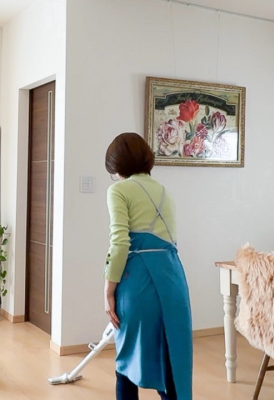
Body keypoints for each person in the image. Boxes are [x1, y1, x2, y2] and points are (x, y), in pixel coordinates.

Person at [104, 132, 192, 400]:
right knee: (171, 360)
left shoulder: (118, 190)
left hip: (139, 281)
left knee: (126, 361)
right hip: (173, 278)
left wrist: (108, 290)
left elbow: (120, 243)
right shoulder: (164, 191)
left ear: (117, 165)